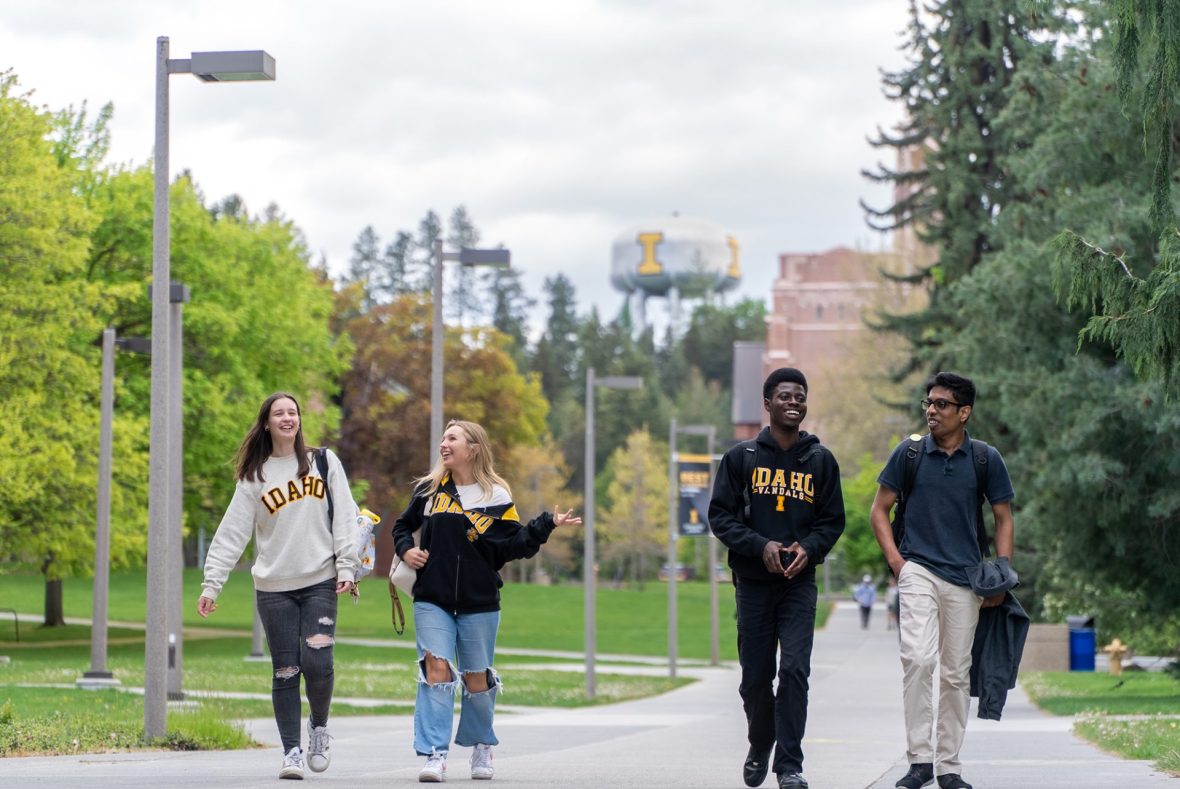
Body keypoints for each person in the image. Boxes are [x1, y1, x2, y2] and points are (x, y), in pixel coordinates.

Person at [393, 419, 581, 783]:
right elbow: (401, 526)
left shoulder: (495, 495)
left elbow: (512, 546)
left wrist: (546, 524)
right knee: (436, 668)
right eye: (443, 438)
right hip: (432, 598)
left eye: (452, 438)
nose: (443, 444)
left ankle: (481, 745)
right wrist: (406, 550)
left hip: (479, 602)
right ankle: (435, 753)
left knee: (476, 678)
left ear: (473, 448)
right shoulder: (429, 490)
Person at [198, 392, 360, 780]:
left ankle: (318, 727)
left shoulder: (324, 462)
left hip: (320, 579)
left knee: (318, 663)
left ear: (299, 420)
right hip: (274, 588)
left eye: (293, 412)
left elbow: (346, 517)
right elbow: (232, 533)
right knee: (285, 670)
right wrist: (212, 584)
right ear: (267, 423)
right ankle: (291, 752)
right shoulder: (255, 476)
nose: (287, 418)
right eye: (279, 413)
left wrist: (347, 566)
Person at [869, 372, 1015, 789]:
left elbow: (1003, 518)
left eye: (942, 404)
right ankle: (920, 761)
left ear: (964, 412)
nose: (931, 410)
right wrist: (898, 564)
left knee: (955, 673)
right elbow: (879, 511)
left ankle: (948, 766)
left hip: (967, 579)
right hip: (917, 569)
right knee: (918, 658)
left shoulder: (985, 458)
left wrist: (1002, 575)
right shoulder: (909, 453)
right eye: (928, 403)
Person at [709, 368, 846, 789]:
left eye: (800, 396)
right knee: (755, 678)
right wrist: (760, 545)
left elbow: (832, 521)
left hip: (798, 585)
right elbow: (720, 517)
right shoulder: (742, 458)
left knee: (794, 671)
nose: (794, 402)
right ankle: (759, 742)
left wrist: (809, 548)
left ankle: (789, 766)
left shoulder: (820, 461)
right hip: (753, 583)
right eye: (785, 396)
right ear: (767, 404)